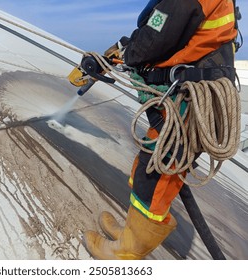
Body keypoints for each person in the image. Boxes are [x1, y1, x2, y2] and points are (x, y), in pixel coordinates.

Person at [83, 0, 239, 260]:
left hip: (191, 101)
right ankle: (130, 233)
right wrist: (127, 47)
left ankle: (128, 251)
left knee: (157, 172)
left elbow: (155, 38)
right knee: (151, 162)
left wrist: (128, 53)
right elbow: (164, 28)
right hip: (188, 95)